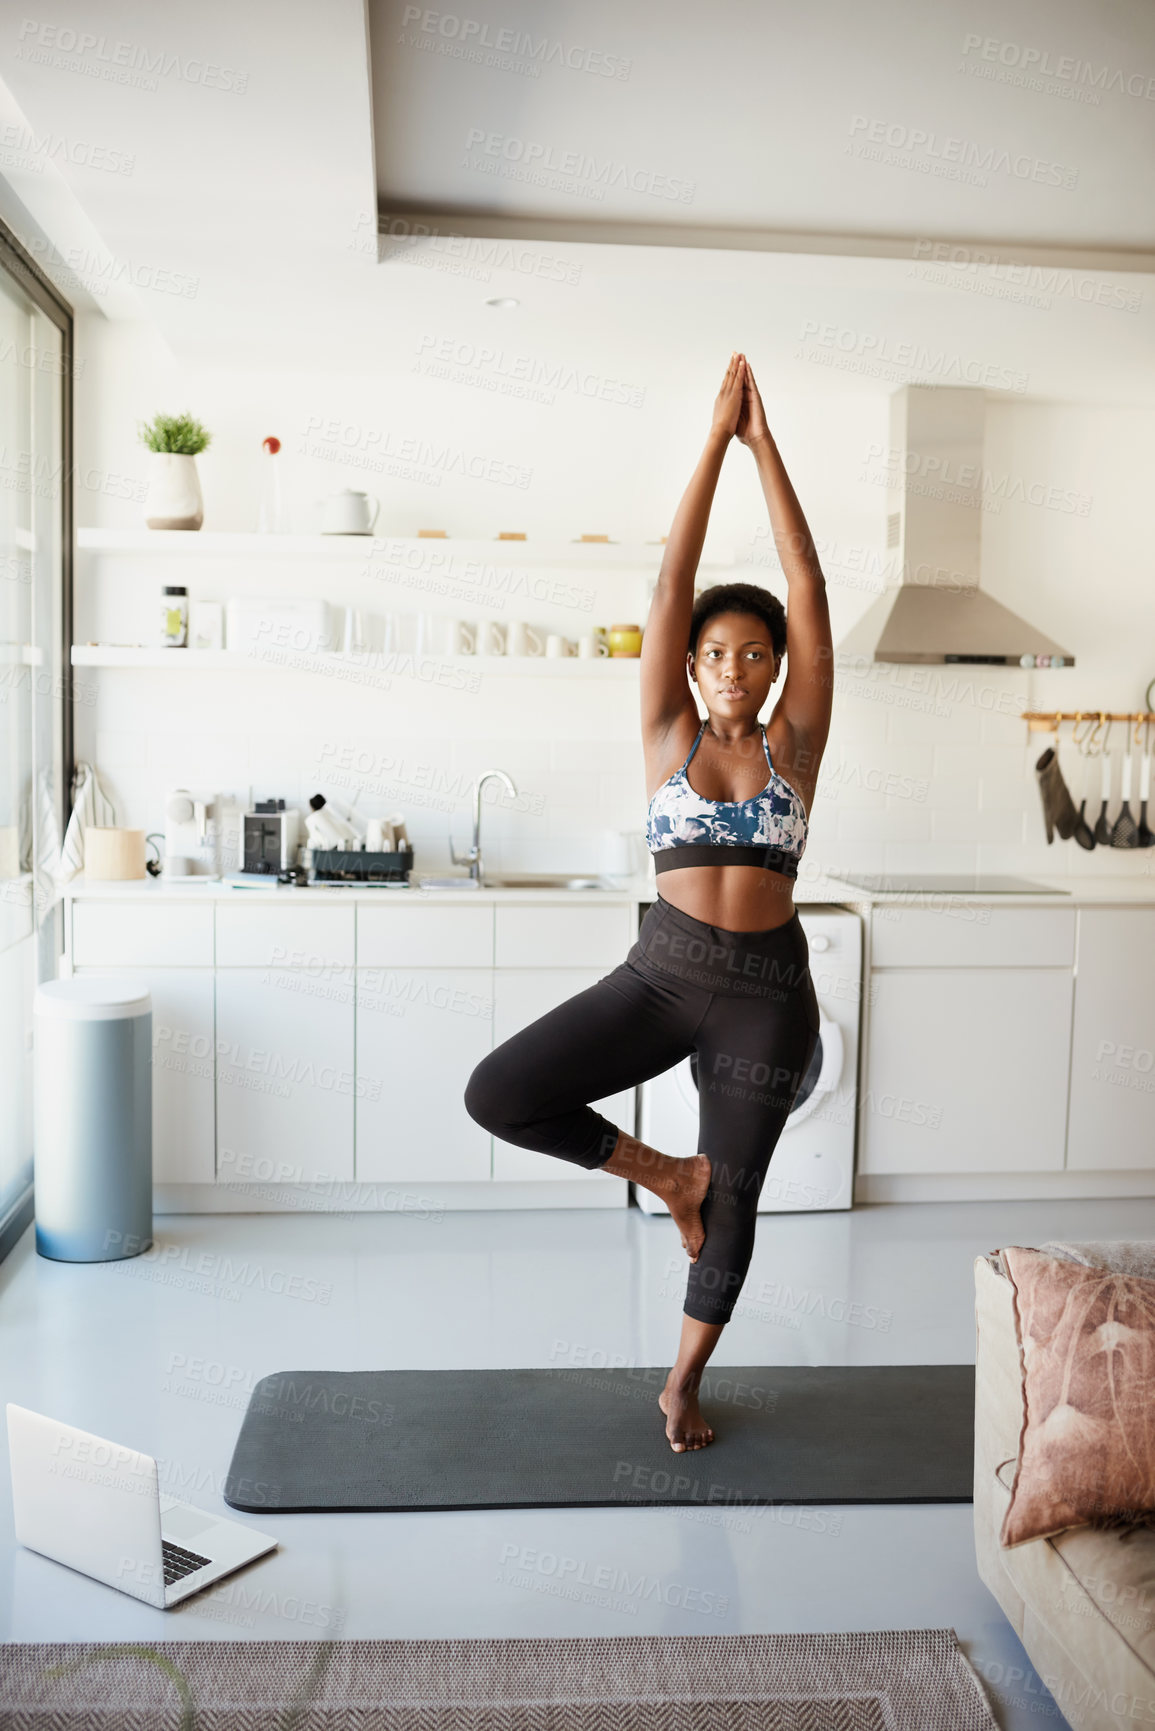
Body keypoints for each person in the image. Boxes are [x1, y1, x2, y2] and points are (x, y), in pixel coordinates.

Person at [464, 353, 834, 1452]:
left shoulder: (794, 747)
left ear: (773, 669)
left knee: (739, 1203)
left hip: (766, 997)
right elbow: (668, 584)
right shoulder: (666, 735)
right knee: (501, 1093)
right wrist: (712, 446)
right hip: (661, 976)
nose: (731, 664)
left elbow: (808, 588)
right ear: (690, 662)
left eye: (752, 653)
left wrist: (767, 451)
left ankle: (683, 1381)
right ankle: (665, 1174)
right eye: (714, 651)